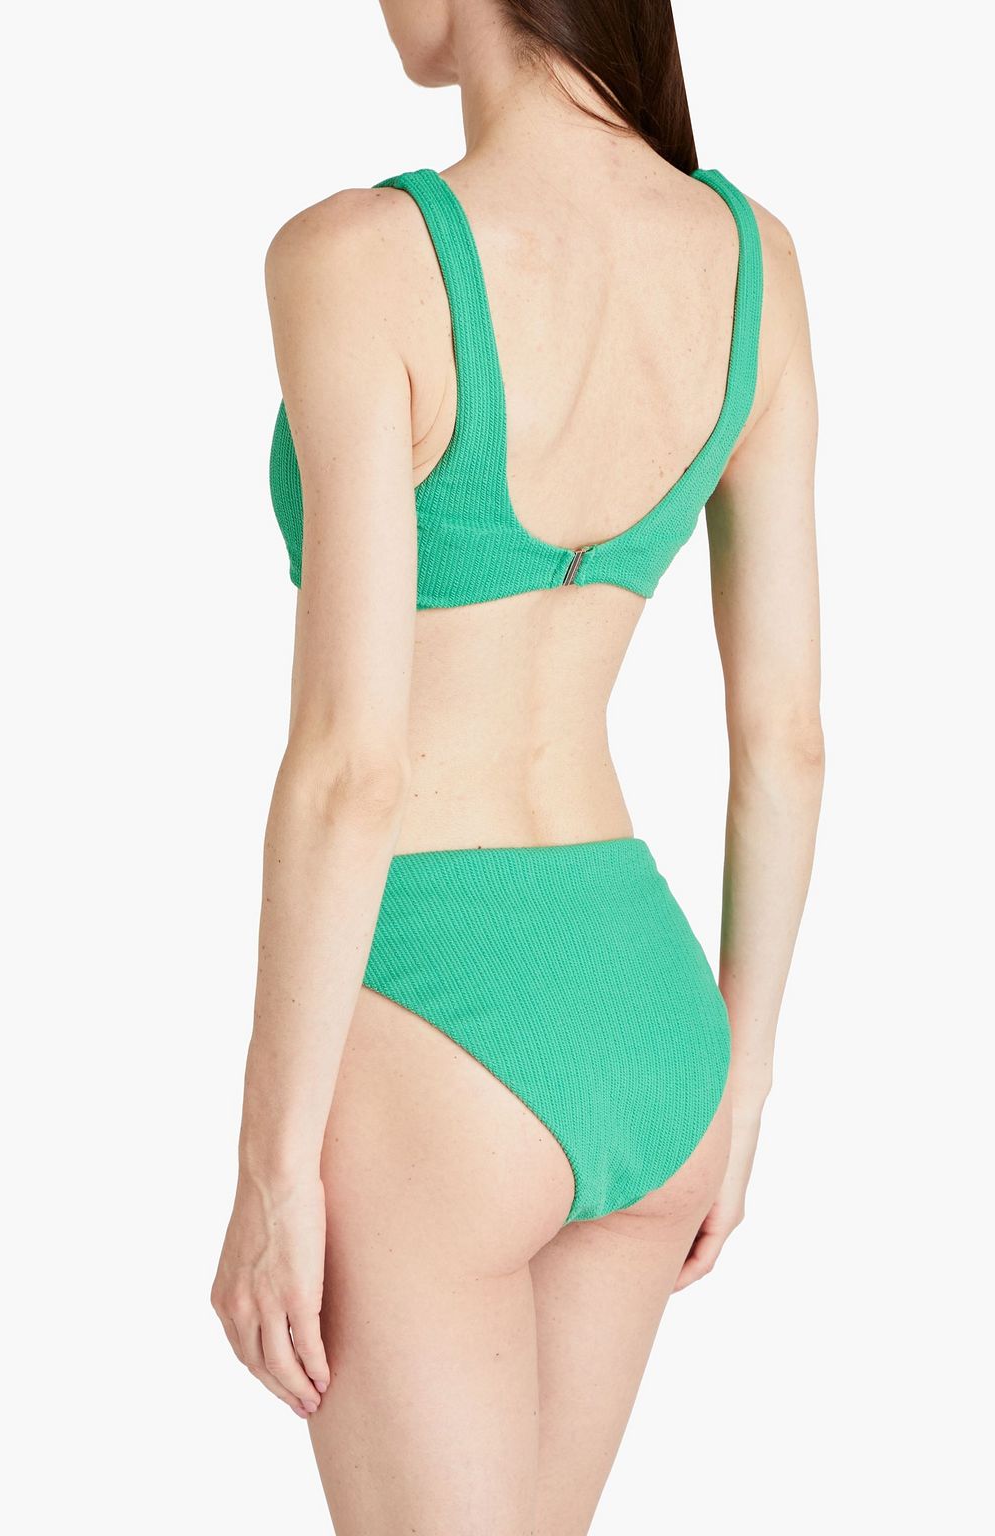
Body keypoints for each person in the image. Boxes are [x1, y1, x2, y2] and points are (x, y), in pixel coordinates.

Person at [211, 2, 824, 1530]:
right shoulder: (753, 263)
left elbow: (351, 767)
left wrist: (273, 1170)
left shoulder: (361, 258)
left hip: (442, 1012)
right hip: (655, 1015)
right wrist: (740, 1090)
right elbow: (786, 738)